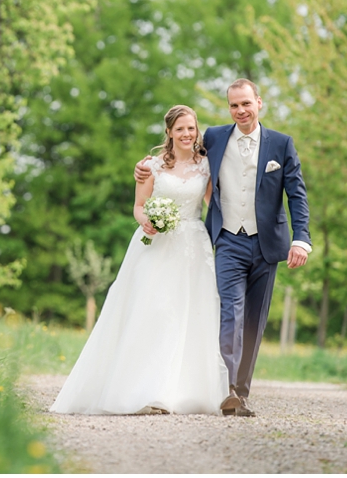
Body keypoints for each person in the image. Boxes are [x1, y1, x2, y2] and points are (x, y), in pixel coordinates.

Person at [134, 79, 311, 417]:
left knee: (255, 321)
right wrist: (143, 169)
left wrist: (301, 238)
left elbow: (297, 195)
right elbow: (178, 156)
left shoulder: (282, 145)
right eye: (234, 105)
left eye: (246, 103)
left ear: (259, 103)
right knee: (230, 310)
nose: (240, 111)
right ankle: (226, 389)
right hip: (228, 240)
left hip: (267, 242)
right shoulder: (214, 138)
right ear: (228, 108)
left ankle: (239, 393)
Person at [50, 105, 228, 415]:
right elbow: (139, 206)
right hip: (155, 245)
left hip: (192, 246)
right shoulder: (150, 166)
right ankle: (144, 390)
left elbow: (215, 203)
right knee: (153, 309)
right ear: (170, 132)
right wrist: (147, 221)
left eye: (191, 128)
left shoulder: (207, 166)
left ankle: (180, 392)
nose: (187, 134)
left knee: (190, 312)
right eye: (180, 129)